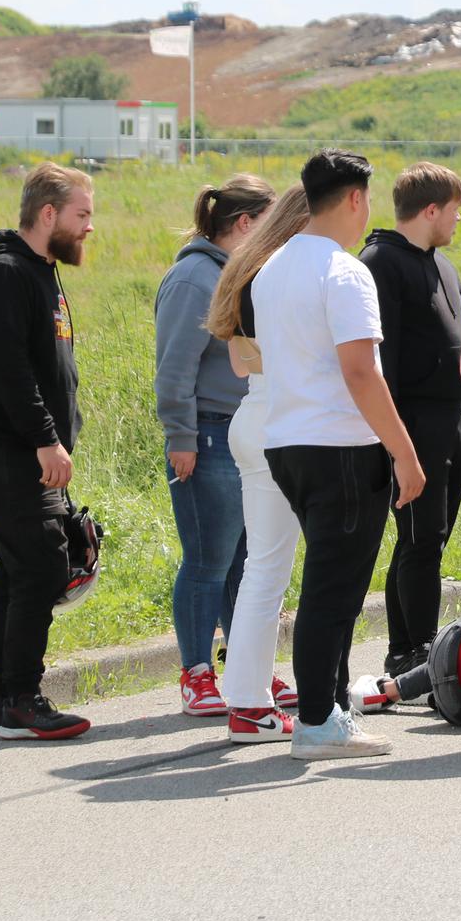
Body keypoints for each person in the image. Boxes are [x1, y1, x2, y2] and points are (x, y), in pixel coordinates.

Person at [254, 149, 427, 761]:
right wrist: (404, 453)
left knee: (329, 582)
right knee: (335, 589)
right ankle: (318, 721)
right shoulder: (347, 272)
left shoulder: (271, 269)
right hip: (343, 448)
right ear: (355, 198)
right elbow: (361, 371)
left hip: (288, 443)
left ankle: (329, 709)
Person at [0, 162, 97, 740]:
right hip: (4, 448)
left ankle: (6, 701)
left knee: (20, 569)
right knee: (40, 566)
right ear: (48, 214)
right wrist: (45, 440)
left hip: (31, 450)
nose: (90, 227)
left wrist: (64, 432)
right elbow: (8, 370)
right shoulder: (7, 273)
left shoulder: (43, 271)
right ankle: (20, 697)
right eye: (82, 214)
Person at [359, 163, 461, 676]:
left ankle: (409, 649)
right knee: (419, 538)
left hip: (450, 420)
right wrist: (395, 445)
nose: (459, 221)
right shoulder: (380, 263)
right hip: (409, 421)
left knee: (431, 539)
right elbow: (378, 364)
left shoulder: (444, 266)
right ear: (431, 210)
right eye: (455, 211)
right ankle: (414, 652)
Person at [154, 174, 274, 717]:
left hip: (243, 432)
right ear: (245, 224)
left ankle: (249, 669)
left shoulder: (239, 274)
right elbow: (174, 370)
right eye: (269, 225)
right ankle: (196, 672)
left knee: (245, 561)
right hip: (206, 435)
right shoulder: (193, 279)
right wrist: (181, 437)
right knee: (208, 560)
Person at [207, 184, 312, 744]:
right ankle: (254, 702)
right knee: (277, 571)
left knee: (261, 572)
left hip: (251, 416)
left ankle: (248, 701)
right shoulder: (286, 272)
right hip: (285, 421)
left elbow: (240, 360)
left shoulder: (244, 270)